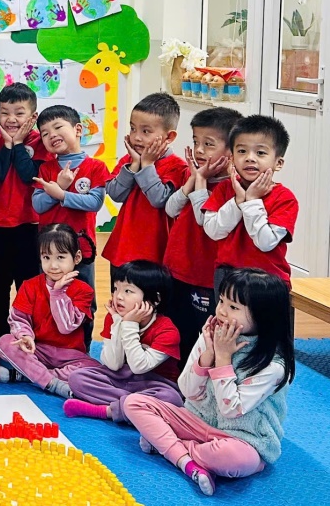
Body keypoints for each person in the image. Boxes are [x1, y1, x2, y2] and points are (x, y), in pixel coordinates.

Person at [124, 268, 294, 496]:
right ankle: (185, 460)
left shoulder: (273, 366)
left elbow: (230, 410)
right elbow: (187, 390)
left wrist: (223, 359)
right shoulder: (212, 333)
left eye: (233, 307)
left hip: (241, 438)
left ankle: (171, 446)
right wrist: (207, 356)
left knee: (236, 459)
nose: (221, 310)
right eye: (221, 300)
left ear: (263, 316)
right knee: (134, 403)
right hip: (196, 421)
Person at [164, 107, 243, 360]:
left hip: (205, 274)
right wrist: (193, 179)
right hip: (178, 266)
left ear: (232, 151)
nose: (199, 150)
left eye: (208, 144)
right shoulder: (193, 174)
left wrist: (200, 181)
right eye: (196, 142)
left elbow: (203, 220)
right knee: (177, 328)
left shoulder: (233, 187)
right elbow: (170, 208)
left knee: (205, 333)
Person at [64, 259, 183, 425]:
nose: (118, 296)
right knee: (77, 378)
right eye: (116, 289)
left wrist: (129, 325)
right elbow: (113, 364)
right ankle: (135, 410)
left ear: (155, 299)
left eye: (128, 291)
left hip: (154, 383)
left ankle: (106, 410)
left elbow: (139, 367)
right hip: (120, 378)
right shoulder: (114, 318)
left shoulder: (167, 330)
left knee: (171, 399)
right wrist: (118, 323)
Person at [0, 224, 95, 399]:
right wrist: (25, 336)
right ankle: (52, 383)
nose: (53, 265)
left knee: (93, 370)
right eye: (46, 257)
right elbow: (18, 318)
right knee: (5, 342)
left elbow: (66, 327)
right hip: (37, 350)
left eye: (60, 257)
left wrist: (57, 294)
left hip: (70, 355)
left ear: (77, 257)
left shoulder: (84, 290)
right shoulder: (30, 286)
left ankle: (27, 375)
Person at [201, 115, 299, 286]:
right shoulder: (225, 188)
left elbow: (266, 242)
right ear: (232, 158)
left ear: (278, 163)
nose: (250, 158)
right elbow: (213, 231)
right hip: (227, 274)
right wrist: (237, 202)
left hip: (266, 278)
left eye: (260, 153)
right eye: (242, 151)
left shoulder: (285, 198)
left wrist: (251, 201)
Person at [31, 104, 109, 312]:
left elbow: (94, 202)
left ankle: (82, 335)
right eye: (45, 133)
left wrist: (61, 194)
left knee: (83, 301)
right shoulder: (45, 168)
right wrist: (60, 186)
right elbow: (38, 204)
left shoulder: (96, 167)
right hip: (49, 251)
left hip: (81, 248)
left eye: (58, 127)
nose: (52, 135)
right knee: (47, 301)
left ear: (78, 129)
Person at [103, 92, 188, 266]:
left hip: (155, 252)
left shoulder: (177, 167)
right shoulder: (129, 160)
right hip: (123, 248)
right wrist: (134, 165)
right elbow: (115, 194)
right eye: (132, 128)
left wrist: (147, 165)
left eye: (146, 131)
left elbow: (159, 200)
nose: (136, 137)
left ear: (169, 137)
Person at [0, 83, 40, 339]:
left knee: (28, 286)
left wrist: (18, 145)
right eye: (5, 112)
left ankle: (26, 336)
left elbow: (29, 176)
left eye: (19, 113)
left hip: (30, 225)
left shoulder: (40, 141)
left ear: (33, 116)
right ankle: (0, 336)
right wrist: (8, 145)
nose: (11, 119)